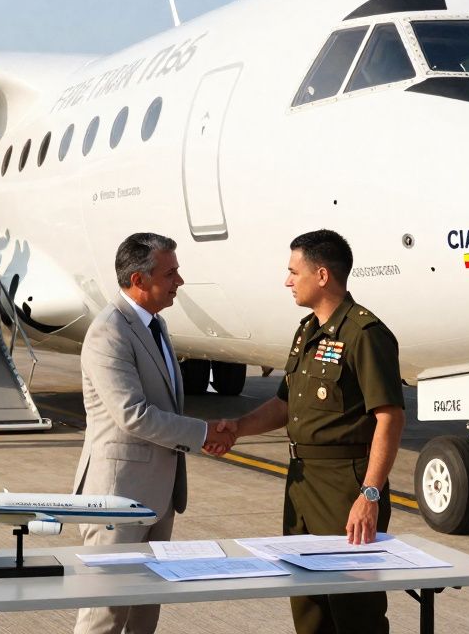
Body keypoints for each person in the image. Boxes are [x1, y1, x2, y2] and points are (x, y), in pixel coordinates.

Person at [210, 230, 405, 634]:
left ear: (321, 275)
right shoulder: (306, 331)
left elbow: (389, 417)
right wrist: (238, 428)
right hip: (301, 483)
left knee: (354, 608)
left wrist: (369, 494)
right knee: (308, 603)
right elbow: (284, 404)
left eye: (292, 271)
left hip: (344, 486)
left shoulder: (365, 335)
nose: (287, 281)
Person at [72, 232, 231, 634]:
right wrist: (203, 431)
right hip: (118, 497)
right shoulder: (110, 331)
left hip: (157, 496)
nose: (179, 281)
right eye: (171, 273)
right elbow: (133, 414)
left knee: (145, 610)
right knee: (104, 613)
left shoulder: (155, 325)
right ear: (140, 280)